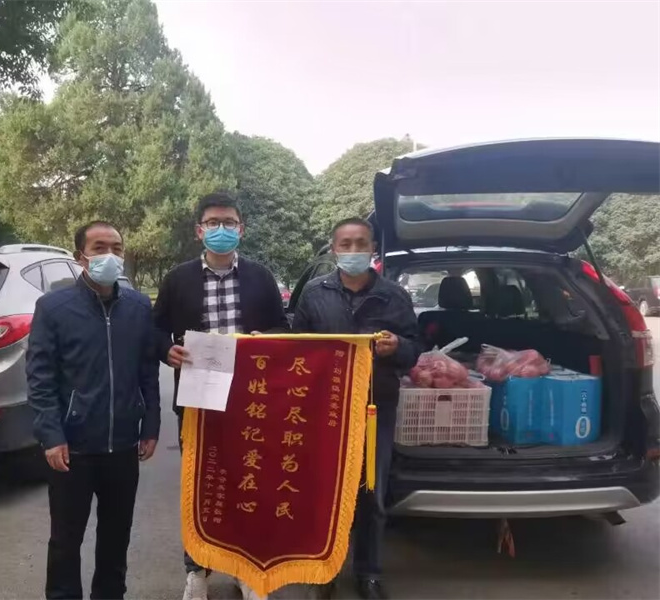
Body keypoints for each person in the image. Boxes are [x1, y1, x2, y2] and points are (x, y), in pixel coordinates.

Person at [153, 191, 289, 600]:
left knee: (249, 482)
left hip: (251, 398)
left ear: (241, 229)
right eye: (213, 223)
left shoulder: (260, 277)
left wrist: (267, 339)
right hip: (197, 399)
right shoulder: (178, 279)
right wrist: (166, 349)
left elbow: (283, 328)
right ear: (200, 231)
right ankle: (197, 569)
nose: (221, 229)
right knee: (201, 485)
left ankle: (246, 569)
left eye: (229, 222)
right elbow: (155, 329)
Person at [27, 221, 160, 600]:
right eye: (99, 248)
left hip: (123, 446)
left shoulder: (138, 306)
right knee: (66, 539)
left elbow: (147, 369)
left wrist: (150, 424)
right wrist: (51, 436)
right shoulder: (54, 308)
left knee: (116, 537)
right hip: (73, 448)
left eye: (116, 248)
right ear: (80, 257)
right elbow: (40, 377)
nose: (110, 256)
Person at [292, 217, 421, 600]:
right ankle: (323, 571)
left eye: (360, 243)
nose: (353, 251)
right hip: (325, 410)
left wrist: (398, 347)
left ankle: (369, 573)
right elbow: (297, 348)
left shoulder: (394, 296)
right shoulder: (314, 293)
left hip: (375, 409)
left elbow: (415, 351)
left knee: (372, 493)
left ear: (373, 248)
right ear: (334, 249)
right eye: (345, 244)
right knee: (324, 491)